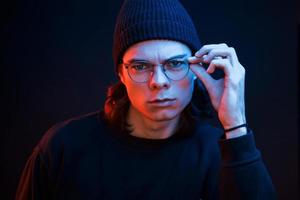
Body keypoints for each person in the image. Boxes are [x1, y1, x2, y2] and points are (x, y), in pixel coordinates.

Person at [15, 0, 276, 199]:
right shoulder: (63, 149)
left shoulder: (219, 154)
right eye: (140, 66)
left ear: (197, 70)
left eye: (175, 63)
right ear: (121, 74)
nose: (158, 81)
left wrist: (236, 124)